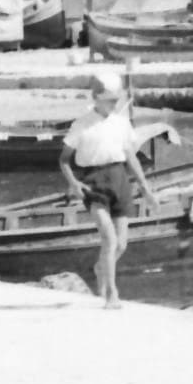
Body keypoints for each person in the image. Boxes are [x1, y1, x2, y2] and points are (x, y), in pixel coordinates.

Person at [60, 69, 151, 310]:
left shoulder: (121, 123)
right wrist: (74, 183)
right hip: (94, 182)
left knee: (121, 244)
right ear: (97, 98)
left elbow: (131, 156)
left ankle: (101, 268)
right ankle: (111, 294)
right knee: (109, 240)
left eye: (116, 100)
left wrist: (146, 188)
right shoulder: (82, 124)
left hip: (119, 178)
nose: (114, 104)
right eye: (110, 100)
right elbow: (64, 160)